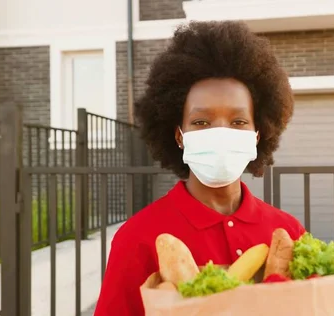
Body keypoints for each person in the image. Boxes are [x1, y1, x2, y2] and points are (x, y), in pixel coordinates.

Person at [93, 20, 305, 316]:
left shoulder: (288, 232)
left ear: (257, 134)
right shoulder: (138, 238)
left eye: (238, 122)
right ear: (179, 135)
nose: (220, 131)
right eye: (202, 122)